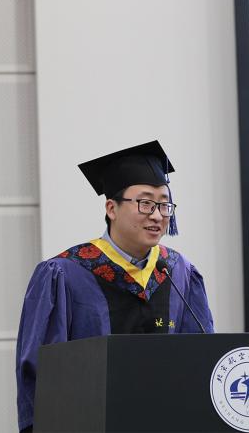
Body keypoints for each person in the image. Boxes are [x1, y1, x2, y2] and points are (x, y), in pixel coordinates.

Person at [15, 140, 215, 432]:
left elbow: (200, 360)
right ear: (112, 208)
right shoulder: (65, 274)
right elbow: (41, 372)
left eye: (164, 204)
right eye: (145, 203)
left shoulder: (179, 272)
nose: (157, 215)